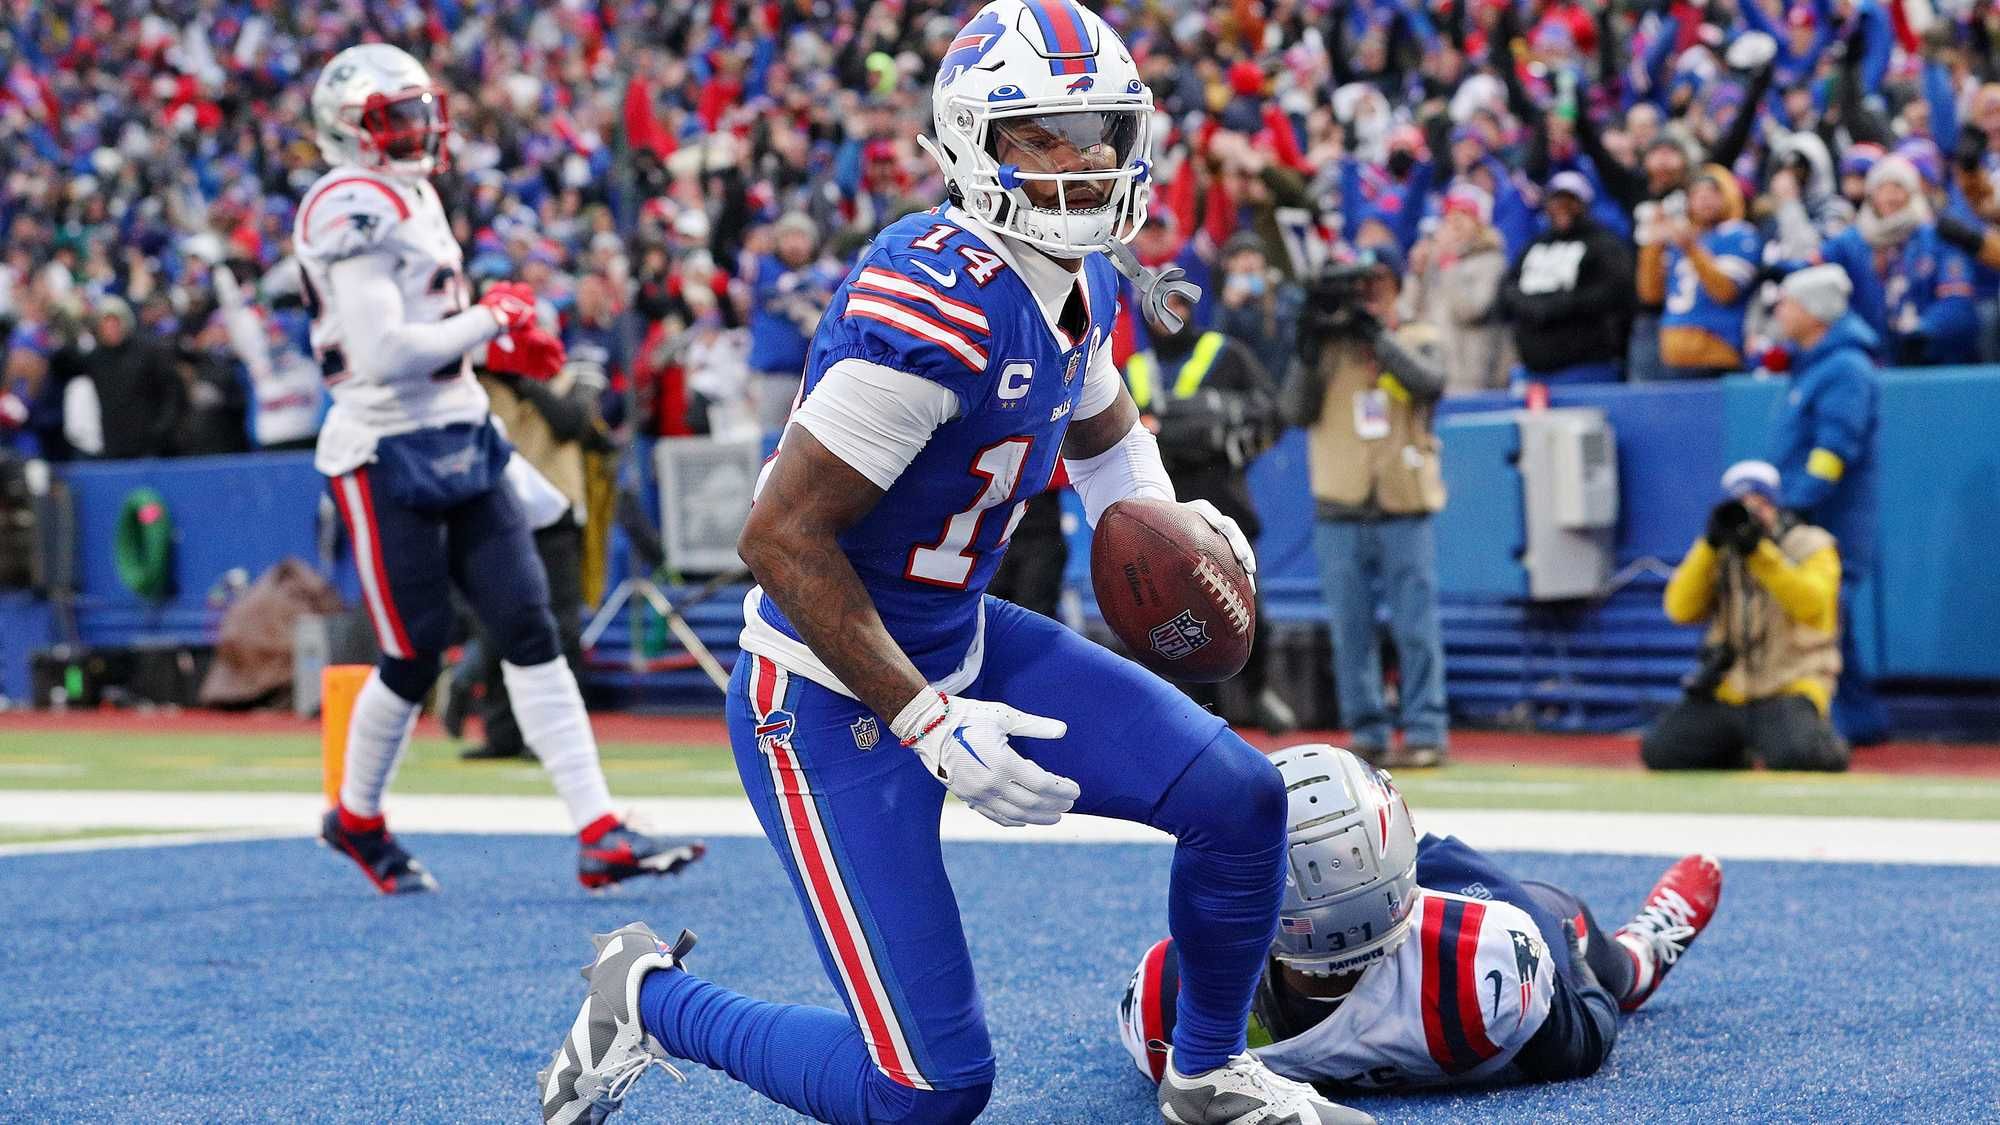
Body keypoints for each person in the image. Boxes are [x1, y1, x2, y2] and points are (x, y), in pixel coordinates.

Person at [538, 5, 1371, 1124]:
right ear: (973, 144)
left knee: (1239, 800)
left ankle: (1209, 1072)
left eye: (1100, 133)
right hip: (826, 697)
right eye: (1045, 136)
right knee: (927, 1092)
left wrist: (1167, 522)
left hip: (962, 640)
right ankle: (645, 999)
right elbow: (778, 537)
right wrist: (928, 723)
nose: (1084, 162)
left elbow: (1105, 438)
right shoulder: (936, 301)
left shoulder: (1082, 276)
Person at [297, 45, 703, 893]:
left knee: (530, 626)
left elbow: (432, 330)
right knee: (414, 651)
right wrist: (492, 318)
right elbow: (384, 353)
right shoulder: (348, 204)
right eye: (394, 118)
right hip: (385, 448)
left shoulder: (411, 192)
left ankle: (598, 828)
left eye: (419, 112)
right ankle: (356, 818)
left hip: (462, 429)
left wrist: (496, 341)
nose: (417, 130)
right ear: (349, 130)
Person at [1118, 745, 1724, 1091]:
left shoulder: (1164, 1009)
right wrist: (1569, 957)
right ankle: (1636, 958)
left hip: (1413, 946)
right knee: (1566, 925)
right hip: (1455, 948)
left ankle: (1625, 956)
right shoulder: (1486, 963)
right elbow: (1583, 1047)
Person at [1282, 249, 1451, 769]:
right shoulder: (1327, 348)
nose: (1368, 293)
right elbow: (1294, 409)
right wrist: (1310, 343)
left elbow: (1429, 382)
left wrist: (1375, 333)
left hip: (1404, 502)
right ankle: (1368, 730)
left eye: (1378, 282)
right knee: (1350, 629)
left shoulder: (1418, 336)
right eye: (1360, 285)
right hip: (1340, 505)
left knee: (1416, 626)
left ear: (1397, 286)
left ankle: (1425, 730)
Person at [1128, 290, 1293, 733]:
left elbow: (1271, 411)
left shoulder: (1226, 353)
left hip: (1223, 500)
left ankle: (1260, 690)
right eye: (1160, 308)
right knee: (1174, 614)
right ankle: (1199, 712)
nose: (1170, 317)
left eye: (1179, 305)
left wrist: (1223, 426)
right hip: (1162, 508)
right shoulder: (1136, 368)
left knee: (1244, 604)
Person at [457, 295, 612, 761]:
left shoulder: (568, 377)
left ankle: (558, 734)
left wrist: (524, 379)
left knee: (559, 625)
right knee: (494, 627)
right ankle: (502, 733)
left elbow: (571, 424)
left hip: (557, 513)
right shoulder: (483, 384)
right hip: (500, 511)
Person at [1642, 460, 1850, 772]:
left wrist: (1760, 553)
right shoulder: (1721, 550)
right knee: (1662, 750)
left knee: (1798, 755)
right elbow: (1679, 609)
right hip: (1731, 689)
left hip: (1789, 685)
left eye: (1761, 504)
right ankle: (1735, 753)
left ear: (1776, 506)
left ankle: (1829, 746)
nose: (1752, 514)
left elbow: (1813, 605)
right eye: (1742, 506)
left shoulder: (1810, 544)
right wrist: (1709, 545)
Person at [1765, 264, 1890, 747]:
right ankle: (1858, 717)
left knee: (1827, 611)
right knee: (1830, 615)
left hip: (1833, 515)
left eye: (1789, 303)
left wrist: (1801, 502)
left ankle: (1843, 718)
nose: (1780, 311)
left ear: (1815, 312)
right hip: (1810, 511)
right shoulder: (1815, 365)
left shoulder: (1845, 369)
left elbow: (1834, 448)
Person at [1817, 155, 1977, 365]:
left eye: (1898, 187)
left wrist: (1925, 330)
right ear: (1871, 195)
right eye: (1882, 188)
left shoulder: (1936, 238)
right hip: (1870, 356)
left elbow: (1958, 301)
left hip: (1928, 360)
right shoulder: (1853, 240)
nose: (1890, 196)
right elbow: (1814, 267)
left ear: (1912, 193)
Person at [1497, 173, 1634, 384]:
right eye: (1555, 201)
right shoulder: (1536, 245)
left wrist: (1561, 304)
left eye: (1570, 201)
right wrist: (1530, 305)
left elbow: (1615, 291)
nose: (1561, 208)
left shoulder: (1604, 244)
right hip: (1534, 370)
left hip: (1587, 366)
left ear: (1584, 204)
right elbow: (1507, 287)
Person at [1636, 165, 1761, 380]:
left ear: (1729, 195)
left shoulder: (1739, 235)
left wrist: (1692, 249)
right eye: (1697, 194)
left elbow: (1725, 292)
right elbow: (1650, 295)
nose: (1704, 200)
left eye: (1713, 192)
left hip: (1718, 349)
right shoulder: (1682, 238)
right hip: (1671, 352)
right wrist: (1653, 244)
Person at [1399, 183, 1512, 394]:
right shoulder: (1436, 260)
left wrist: (1449, 263)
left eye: (1463, 217)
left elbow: (1471, 310)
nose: (1454, 225)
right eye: (1450, 218)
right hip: (1433, 371)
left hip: (1473, 377)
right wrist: (1416, 273)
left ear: (1480, 224)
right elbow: (1407, 312)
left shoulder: (1491, 261)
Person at [744, 211, 840, 432]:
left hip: (816, 374)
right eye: (789, 236)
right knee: (772, 438)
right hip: (774, 374)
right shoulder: (764, 268)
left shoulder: (826, 273)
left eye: (801, 236)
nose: (795, 244)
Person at [80, 296, 185, 459]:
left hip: (152, 445)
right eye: (105, 324)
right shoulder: (95, 359)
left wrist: (162, 429)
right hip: (114, 445)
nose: (111, 329)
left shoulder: (149, 352)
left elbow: (173, 392)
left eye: (115, 323)